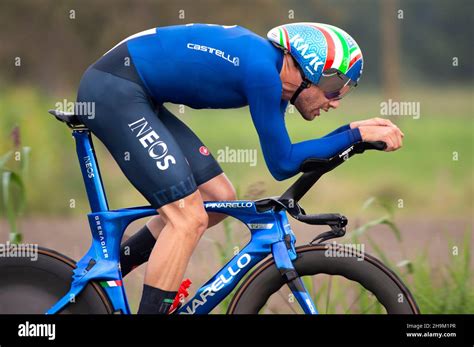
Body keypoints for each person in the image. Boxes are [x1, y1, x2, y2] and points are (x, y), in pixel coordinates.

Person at [76, 22, 404, 314]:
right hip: (114, 90)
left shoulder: (274, 78)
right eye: (334, 87)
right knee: (188, 218)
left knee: (218, 198)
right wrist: (354, 135)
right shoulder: (262, 71)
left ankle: (111, 270)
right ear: (308, 68)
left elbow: (283, 160)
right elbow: (284, 163)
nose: (334, 101)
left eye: (343, 93)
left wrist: (352, 135)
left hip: (136, 92)